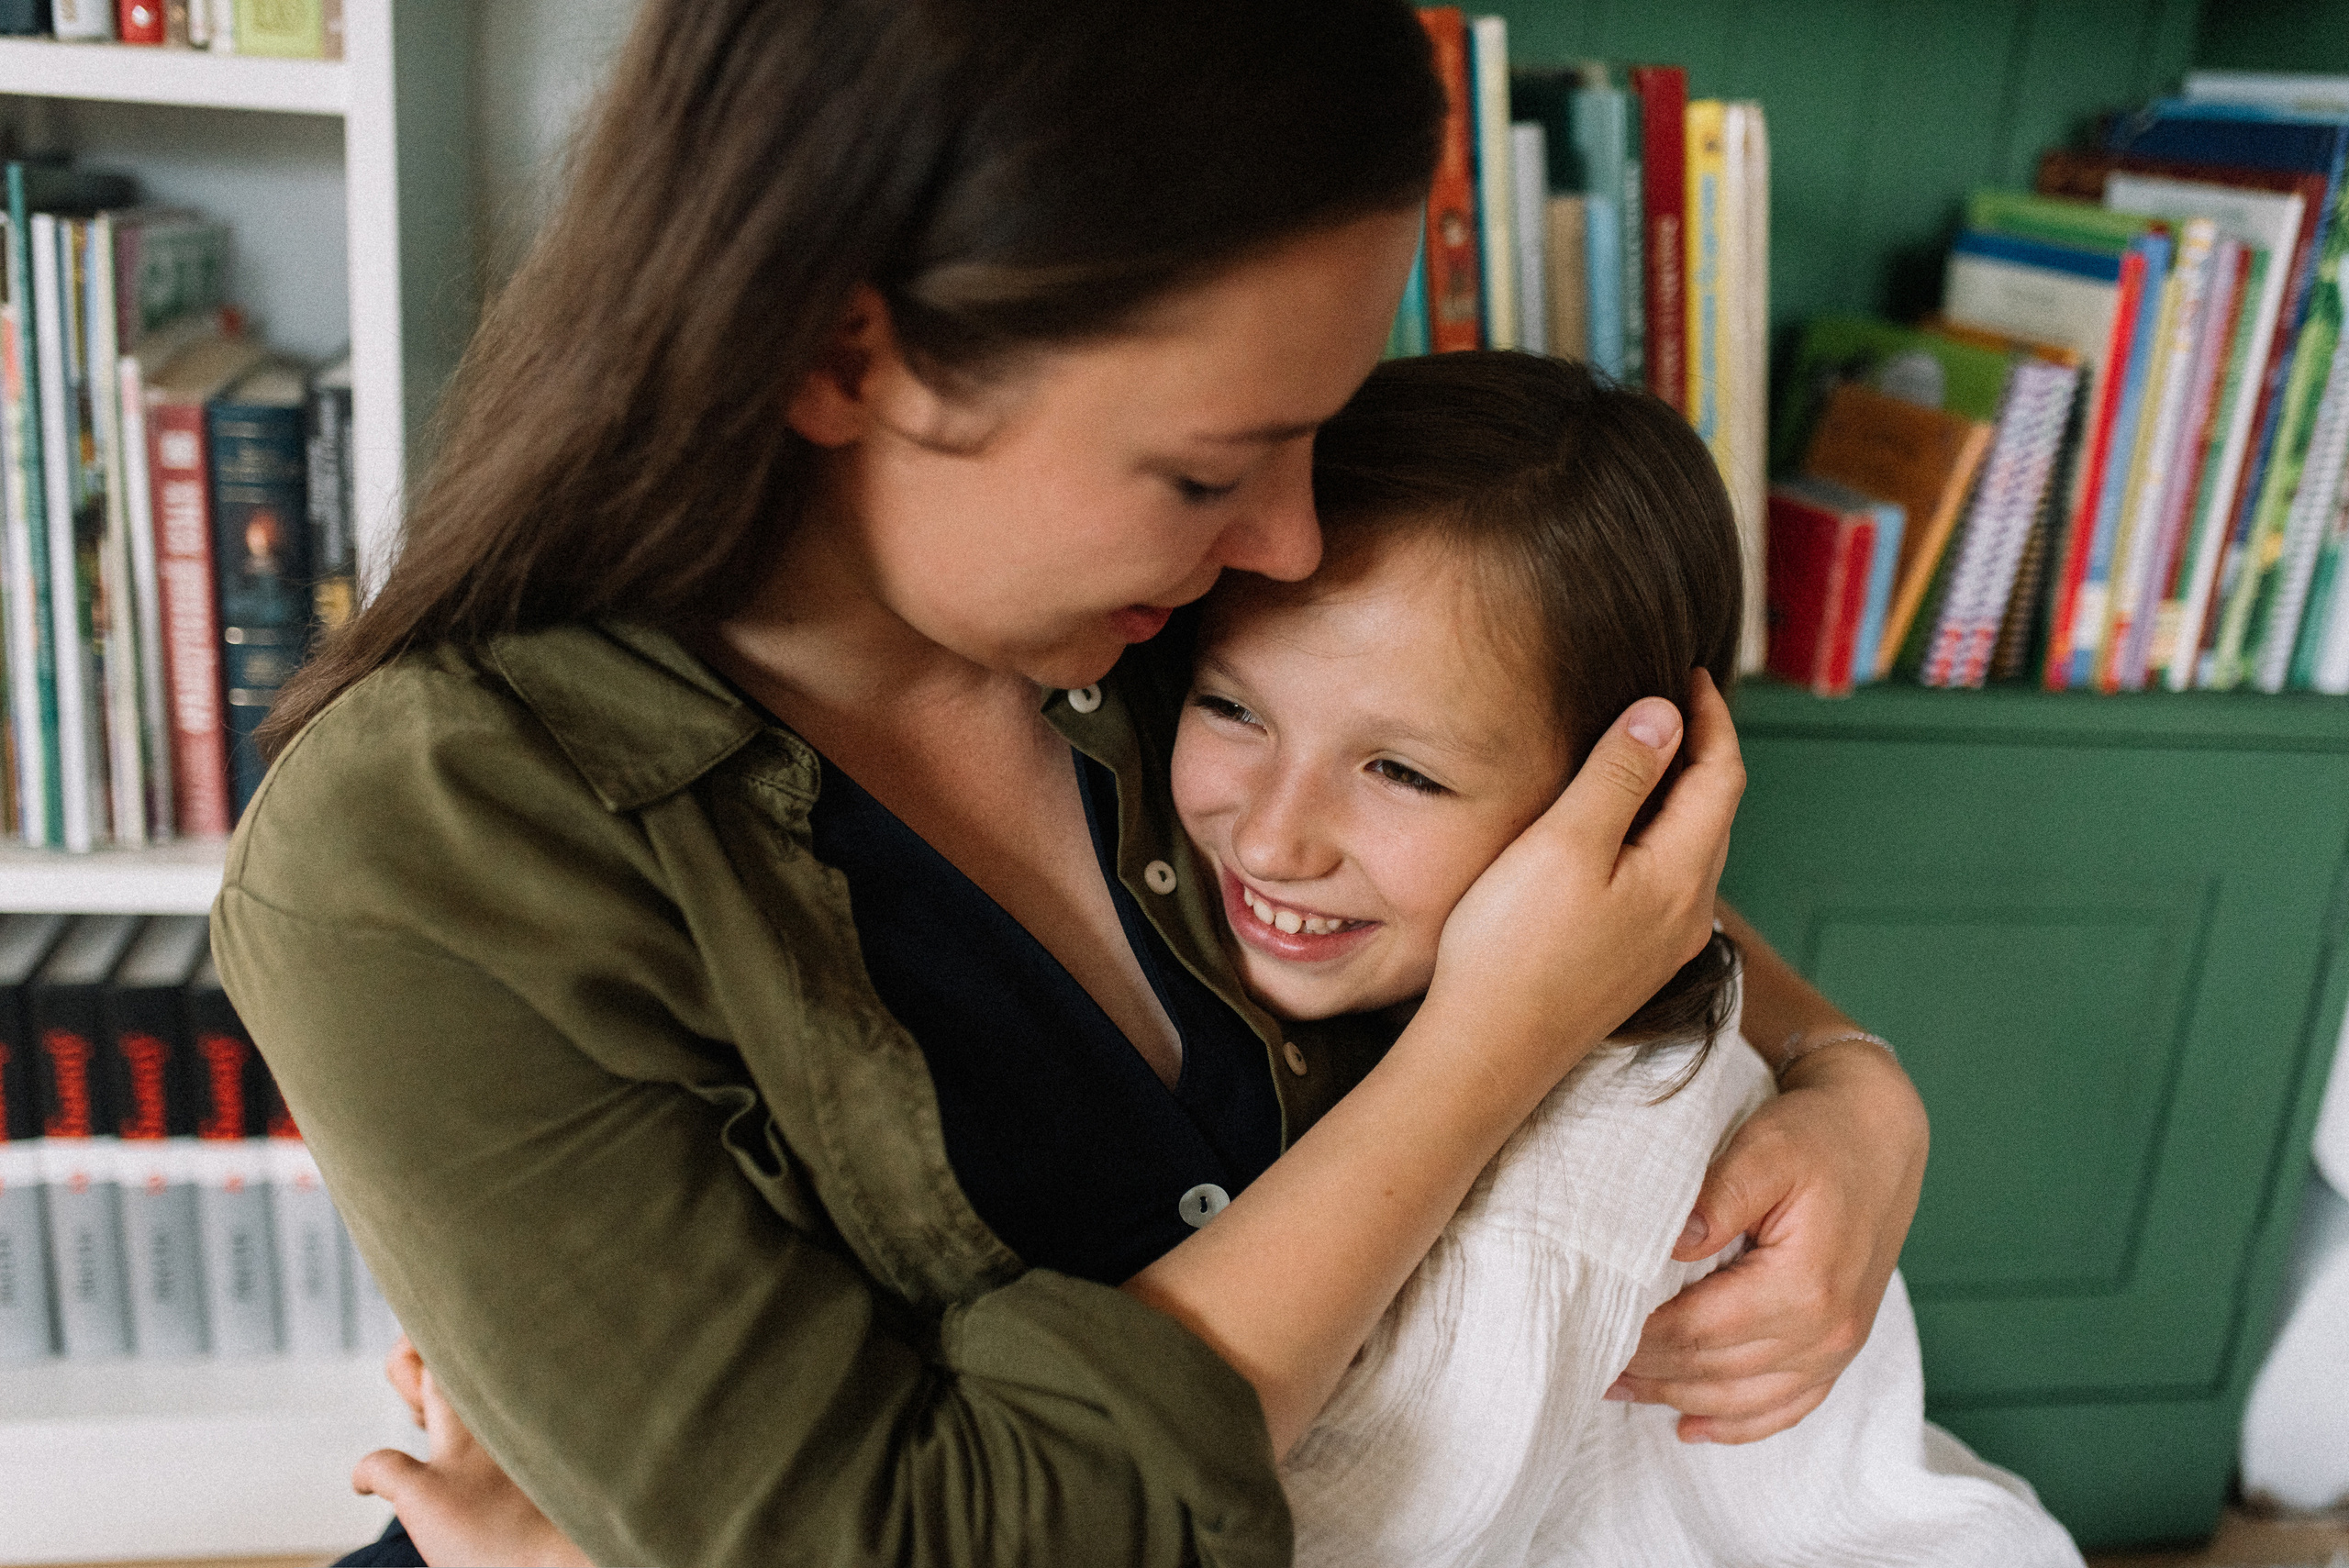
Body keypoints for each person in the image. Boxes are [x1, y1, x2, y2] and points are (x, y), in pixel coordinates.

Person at [211, 4, 1928, 1564]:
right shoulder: (422, 852)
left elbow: (1548, 884)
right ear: (840, 354)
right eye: (1205, 470)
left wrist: (1853, 1083)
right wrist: (1485, 1058)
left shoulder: (1184, 628)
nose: (1293, 539)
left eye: (1313, 439)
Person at [1174, 351, 2077, 1566]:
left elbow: (1359, 1535)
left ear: (1634, 809)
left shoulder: (1600, 1154)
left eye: (1402, 772)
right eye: (1231, 707)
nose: (1275, 835)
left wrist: (1860, 1077)